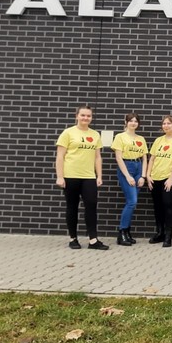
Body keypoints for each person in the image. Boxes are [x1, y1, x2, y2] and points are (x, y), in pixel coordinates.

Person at [55, 104, 108, 250]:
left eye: (88, 116)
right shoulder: (68, 133)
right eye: (83, 115)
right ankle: (73, 239)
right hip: (70, 175)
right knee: (72, 206)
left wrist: (99, 175)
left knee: (91, 205)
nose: (86, 118)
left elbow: (98, 157)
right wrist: (60, 176)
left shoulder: (95, 134)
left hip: (88, 176)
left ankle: (93, 240)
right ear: (77, 116)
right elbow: (60, 156)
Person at [147, 115, 172, 247]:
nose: (166, 126)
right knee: (157, 206)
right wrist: (148, 175)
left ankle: (168, 236)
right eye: (164, 124)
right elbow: (152, 159)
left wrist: (171, 179)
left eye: (169, 123)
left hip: (169, 178)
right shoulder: (158, 140)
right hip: (155, 177)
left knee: (168, 205)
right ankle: (160, 233)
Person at [111, 112, 148, 246]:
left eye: (136, 121)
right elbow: (118, 157)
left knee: (132, 202)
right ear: (126, 122)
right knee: (132, 201)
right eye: (131, 121)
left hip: (138, 167)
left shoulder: (141, 138)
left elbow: (145, 158)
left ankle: (127, 232)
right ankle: (121, 233)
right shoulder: (120, 137)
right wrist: (127, 176)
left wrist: (143, 176)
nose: (133, 123)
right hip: (127, 167)